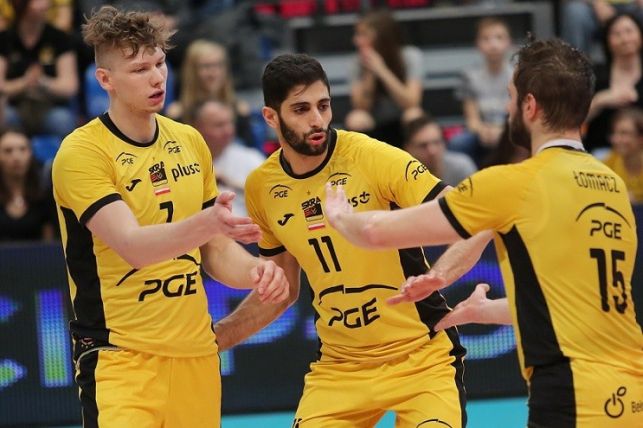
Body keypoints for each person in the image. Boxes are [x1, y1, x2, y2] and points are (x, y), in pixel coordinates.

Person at [324, 38, 643, 427]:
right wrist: (486, 311)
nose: (508, 109)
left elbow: (377, 232)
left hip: (572, 392)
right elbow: (579, 304)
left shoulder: (514, 183)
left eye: (511, 97)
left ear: (529, 106)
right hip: (632, 390)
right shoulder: (612, 186)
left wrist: (340, 216)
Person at [51, 6, 289, 427]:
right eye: (140, 69)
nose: (157, 77)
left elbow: (215, 250)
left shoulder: (188, 140)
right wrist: (207, 224)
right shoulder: (82, 152)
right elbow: (133, 247)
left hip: (196, 355)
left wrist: (255, 272)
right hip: (121, 357)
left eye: (159, 63)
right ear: (105, 80)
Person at [214, 53, 466, 428]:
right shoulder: (261, 187)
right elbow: (281, 289)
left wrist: (440, 275)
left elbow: (468, 213)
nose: (317, 120)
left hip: (420, 357)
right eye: (301, 109)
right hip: (341, 367)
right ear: (271, 117)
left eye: (323, 105)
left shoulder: (372, 156)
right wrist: (215, 339)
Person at [344, 9, 423, 148]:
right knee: (356, 118)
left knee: (414, 114)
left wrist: (382, 70)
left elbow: (411, 102)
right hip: (374, 124)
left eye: (362, 34)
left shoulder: (410, 56)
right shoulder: (356, 63)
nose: (356, 40)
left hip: (401, 123)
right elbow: (361, 106)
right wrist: (370, 73)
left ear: (381, 36)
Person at [0, 0, 78, 138]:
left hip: (49, 106)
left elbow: (70, 86)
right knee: (5, 116)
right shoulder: (4, 39)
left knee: (62, 120)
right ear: (21, 4)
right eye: (37, 1)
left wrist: (42, 81)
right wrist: (25, 82)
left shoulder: (60, 38)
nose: (45, 5)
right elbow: (1, 85)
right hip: (16, 106)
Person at [167, 39, 254, 147]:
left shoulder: (240, 111)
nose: (214, 72)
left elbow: (249, 151)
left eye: (219, 65)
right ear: (192, 71)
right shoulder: (177, 114)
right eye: (206, 66)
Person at [450, 17, 513, 164]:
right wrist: (482, 131)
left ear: (508, 42)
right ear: (477, 44)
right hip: (481, 133)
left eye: (499, 37)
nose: (493, 45)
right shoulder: (469, 76)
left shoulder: (518, 74)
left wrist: (502, 130)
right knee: (457, 143)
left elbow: (519, 116)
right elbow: (472, 119)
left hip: (510, 131)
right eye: (486, 39)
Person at [189, 99, 265, 216]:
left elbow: (271, 197)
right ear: (198, 128)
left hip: (247, 223)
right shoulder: (185, 163)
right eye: (219, 125)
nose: (228, 130)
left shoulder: (251, 158)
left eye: (229, 123)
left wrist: (228, 182)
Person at [584, 12, 643, 153]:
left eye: (629, 31)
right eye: (617, 34)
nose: (624, 39)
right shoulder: (594, 75)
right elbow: (573, 120)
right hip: (601, 151)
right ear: (607, 41)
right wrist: (600, 101)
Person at [0, 126, 55, 240]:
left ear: (31, 153)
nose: (16, 157)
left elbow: (49, 243)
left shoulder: (44, 196)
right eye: (8, 151)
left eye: (22, 149)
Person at [403, 114, 477, 187]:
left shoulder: (461, 167)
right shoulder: (402, 177)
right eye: (423, 145)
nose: (432, 151)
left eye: (436, 142)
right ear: (408, 149)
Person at [603, 106, 643, 203]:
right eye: (614, 133)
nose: (615, 139)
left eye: (624, 133)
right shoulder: (611, 161)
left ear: (640, 138)